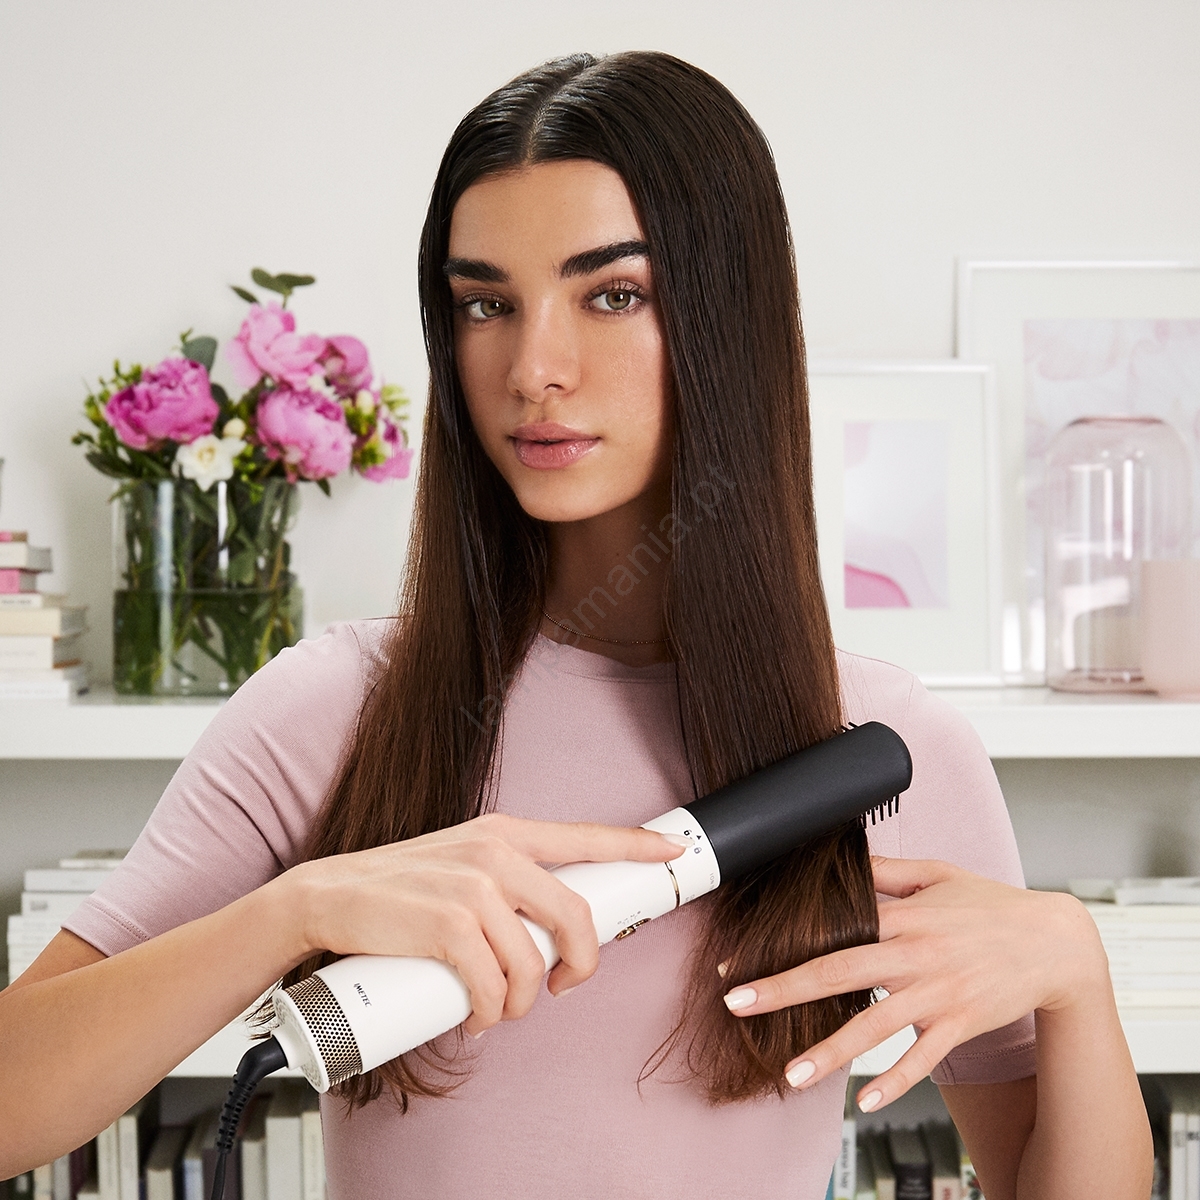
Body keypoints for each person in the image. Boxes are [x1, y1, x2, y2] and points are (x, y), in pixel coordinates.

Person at [1, 52, 1149, 1199]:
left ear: (726, 321)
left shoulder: (885, 751)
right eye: (485, 304)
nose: (533, 368)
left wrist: (1076, 977)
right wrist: (293, 912)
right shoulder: (333, 709)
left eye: (613, 294)